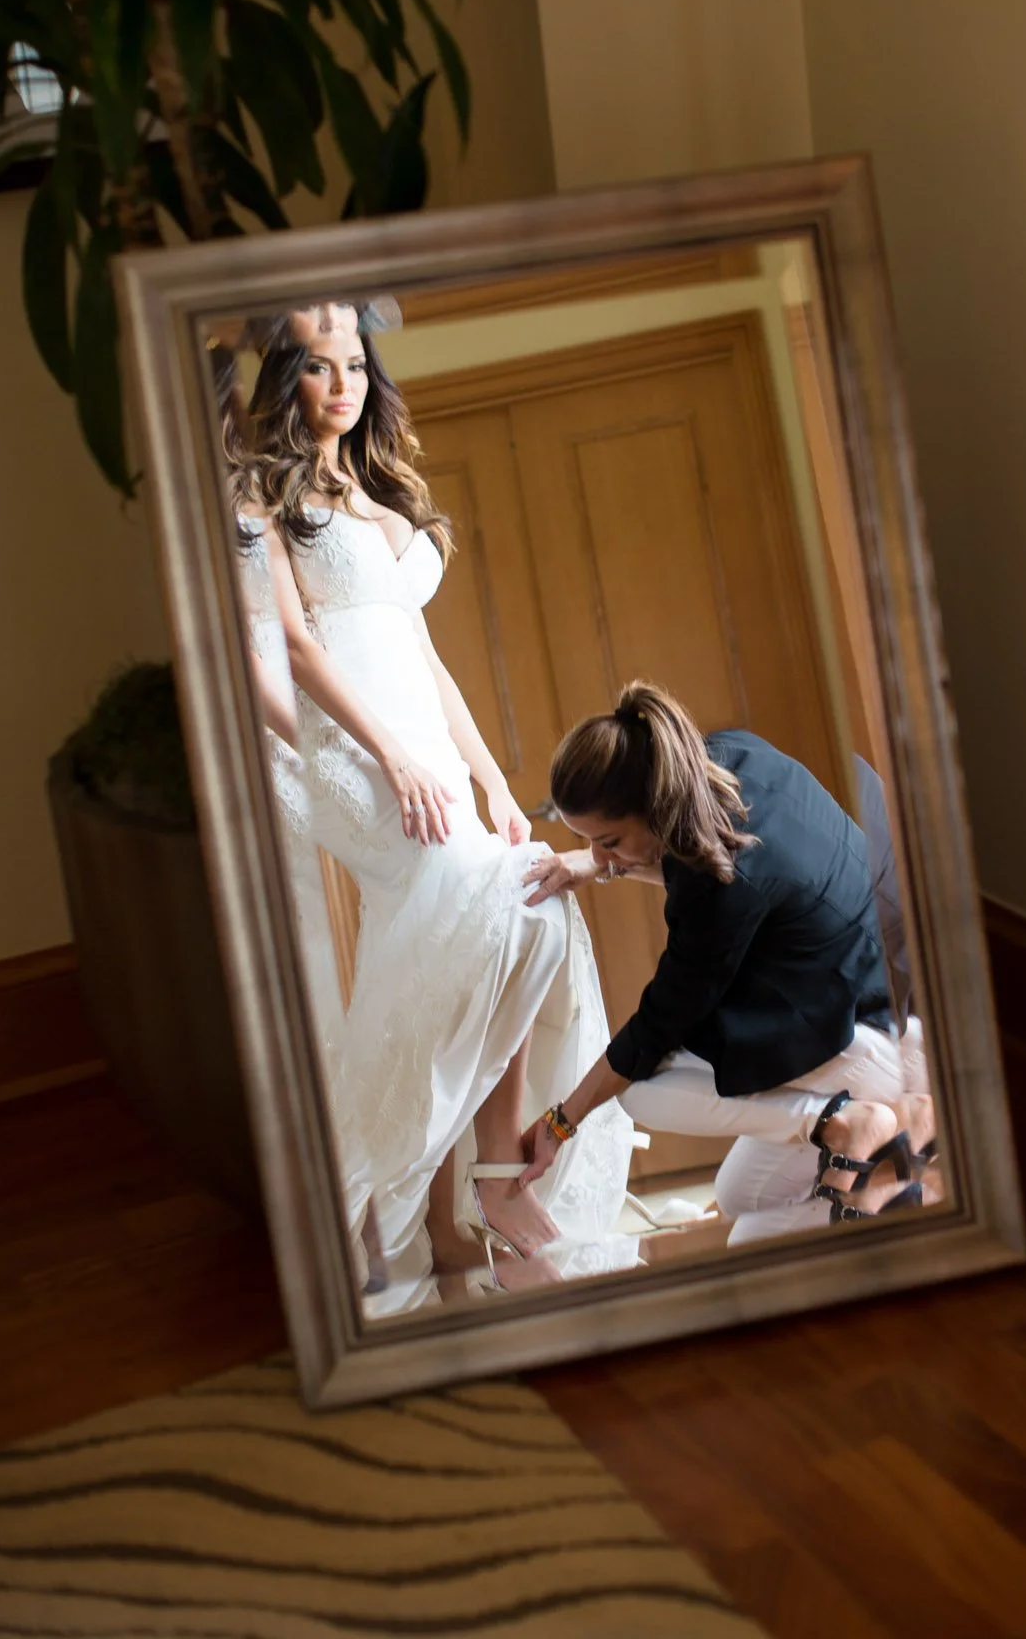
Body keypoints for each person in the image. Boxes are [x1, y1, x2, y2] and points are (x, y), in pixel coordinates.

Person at [237, 307, 638, 1303]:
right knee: (515, 903)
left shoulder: (374, 486)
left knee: (533, 905)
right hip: (356, 755)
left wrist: (491, 778)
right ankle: (411, 1189)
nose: (342, 385)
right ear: (285, 377)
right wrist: (388, 758)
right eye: (318, 367)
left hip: (428, 750)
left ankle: (491, 1176)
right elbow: (291, 648)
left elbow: (423, 655)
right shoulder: (259, 492)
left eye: (355, 365)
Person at [519, 682, 935, 1226]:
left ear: (653, 807)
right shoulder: (728, 755)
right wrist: (598, 864)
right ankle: (877, 1147)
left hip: (867, 1039)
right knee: (741, 1198)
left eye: (609, 841)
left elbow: (656, 1026)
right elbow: (713, 866)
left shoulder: (720, 886)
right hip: (877, 997)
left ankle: (863, 1128)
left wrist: (559, 1124)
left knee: (640, 1092)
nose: (596, 853)